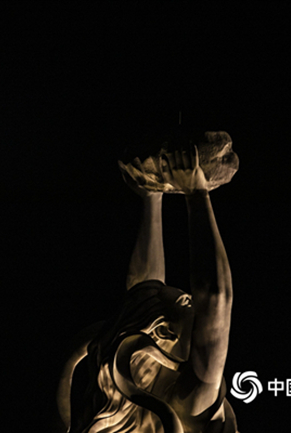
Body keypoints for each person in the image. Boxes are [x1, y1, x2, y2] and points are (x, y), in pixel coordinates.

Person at [56, 147, 238, 433]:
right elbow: (216, 298)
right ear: (164, 333)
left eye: (187, 302)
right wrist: (196, 194)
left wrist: (153, 196)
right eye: (188, 302)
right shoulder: (191, 403)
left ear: (164, 332)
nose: (195, 302)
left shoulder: (147, 397)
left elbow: (144, 295)